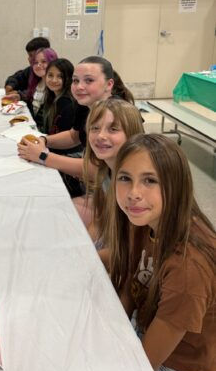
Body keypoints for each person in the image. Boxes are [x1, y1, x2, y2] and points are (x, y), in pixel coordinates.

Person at [108, 134, 216, 371]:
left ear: (176, 185)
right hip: (148, 332)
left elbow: (147, 363)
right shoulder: (144, 219)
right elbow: (130, 286)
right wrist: (114, 333)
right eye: (125, 178)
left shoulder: (188, 269)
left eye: (150, 180)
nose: (133, 193)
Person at [17, 56, 131, 196]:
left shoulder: (117, 113)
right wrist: (43, 140)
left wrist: (42, 156)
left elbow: (99, 169)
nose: (79, 87)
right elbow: (74, 135)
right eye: (76, 81)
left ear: (109, 84)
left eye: (89, 80)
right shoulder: (85, 103)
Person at [79, 99, 144, 254]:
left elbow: (131, 250)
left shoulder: (137, 184)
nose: (101, 136)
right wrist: (83, 248)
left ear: (132, 134)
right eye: (95, 128)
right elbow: (101, 219)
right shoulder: (105, 170)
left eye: (113, 129)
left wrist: (86, 258)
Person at [25, 47, 58, 130]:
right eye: (36, 62)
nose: (39, 65)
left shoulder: (55, 87)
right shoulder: (36, 82)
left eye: (44, 61)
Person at [42, 58, 76, 136]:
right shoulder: (52, 97)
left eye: (60, 76)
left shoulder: (66, 103)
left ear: (69, 79)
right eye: (50, 75)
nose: (54, 80)